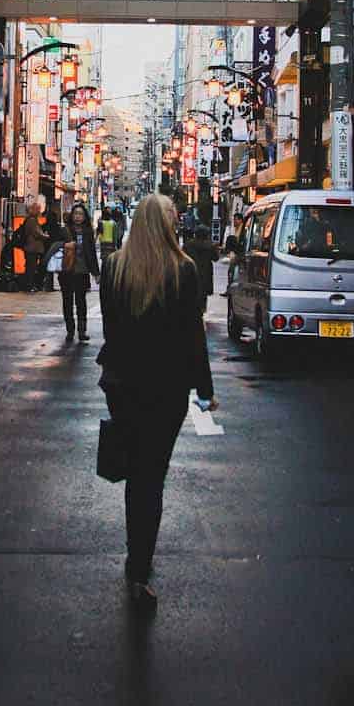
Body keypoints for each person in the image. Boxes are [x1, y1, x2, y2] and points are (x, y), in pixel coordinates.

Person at [97, 192, 217, 608]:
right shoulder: (183, 271)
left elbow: (111, 330)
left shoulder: (114, 268)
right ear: (164, 224)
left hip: (123, 384)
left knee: (137, 473)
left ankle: (137, 561)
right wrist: (205, 388)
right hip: (166, 389)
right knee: (153, 473)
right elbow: (192, 336)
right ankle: (139, 565)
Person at [55, 199, 100, 343]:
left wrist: (96, 273)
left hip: (82, 271)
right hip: (67, 271)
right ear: (72, 215)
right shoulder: (65, 230)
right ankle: (70, 330)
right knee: (67, 301)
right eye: (75, 214)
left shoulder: (88, 232)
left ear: (85, 216)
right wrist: (65, 244)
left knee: (81, 302)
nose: (78, 216)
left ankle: (82, 331)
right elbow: (55, 246)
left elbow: (91, 253)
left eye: (80, 214)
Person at [183, 222, 218, 315]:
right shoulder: (210, 245)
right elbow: (216, 258)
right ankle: (201, 311)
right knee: (203, 294)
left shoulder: (188, 245)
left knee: (191, 293)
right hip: (206, 273)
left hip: (191, 272)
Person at [17, 199, 48, 293]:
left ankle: (29, 285)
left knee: (31, 267)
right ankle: (28, 286)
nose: (39, 211)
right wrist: (46, 236)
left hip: (31, 248)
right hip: (32, 248)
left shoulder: (32, 220)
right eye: (38, 209)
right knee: (31, 267)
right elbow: (37, 233)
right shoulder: (32, 220)